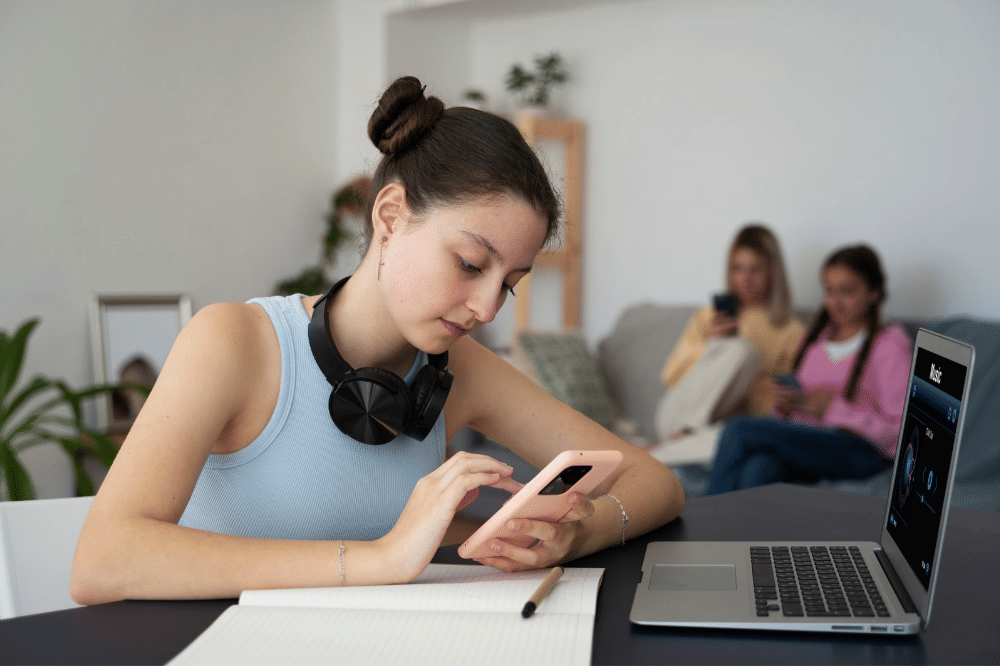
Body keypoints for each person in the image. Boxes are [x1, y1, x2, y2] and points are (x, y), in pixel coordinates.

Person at [71, 76, 684, 605]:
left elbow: (656, 482)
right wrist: (380, 559)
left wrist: (582, 531)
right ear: (390, 218)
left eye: (510, 284)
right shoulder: (233, 343)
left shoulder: (458, 368)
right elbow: (103, 561)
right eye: (471, 264)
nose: (486, 307)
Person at [704, 244, 910, 495]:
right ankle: (736, 533)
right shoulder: (816, 340)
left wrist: (833, 409)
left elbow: (900, 435)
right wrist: (787, 406)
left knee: (738, 429)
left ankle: (704, 525)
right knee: (759, 467)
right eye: (829, 291)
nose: (835, 302)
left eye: (847, 291)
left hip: (860, 452)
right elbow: (800, 416)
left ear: (874, 293)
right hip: (812, 443)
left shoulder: (890, 347)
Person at [653, 224, 804, 443]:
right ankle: (681, 439)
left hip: (725, 432)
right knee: (743, 350)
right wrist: (713, 347)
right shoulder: (709, 317)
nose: (745, 279)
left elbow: (781, 408)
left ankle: (664, 451)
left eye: (756, 270)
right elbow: (672, 376)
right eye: (737, 268)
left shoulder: (792, 332)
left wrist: (753, 385)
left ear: (772, 270)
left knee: (744, 442)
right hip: (678, 415)